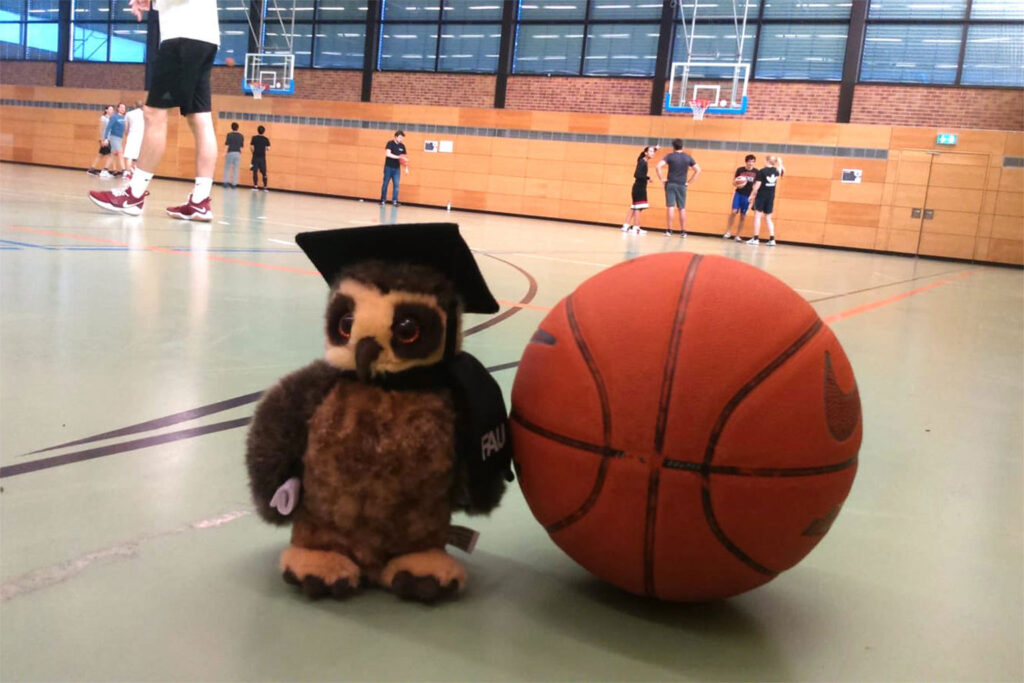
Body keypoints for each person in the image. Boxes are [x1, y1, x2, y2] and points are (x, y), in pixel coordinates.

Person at [88, 0, 220, 221]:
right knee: (200, 118)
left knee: (154, 114)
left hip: (183, 38)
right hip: (204, 38)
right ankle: (200, 200)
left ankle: (134, 194)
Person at [655, 138, 701, 237]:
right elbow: (698, 170)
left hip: (671, 183)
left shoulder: (669, 156)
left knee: (670, 207)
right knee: (682, 208)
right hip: (682, 184)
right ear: (682, 147)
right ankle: (683, 231)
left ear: (673, 147)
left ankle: (669, 230)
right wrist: (689, 182)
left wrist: (662, 179)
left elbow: (658, 166)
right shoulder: (687, 157)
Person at [746, 155, 785, 247]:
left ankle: (755, 238)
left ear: (767, 161)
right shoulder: (776, 171)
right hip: (770, 197)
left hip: (761, 196)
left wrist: (751, 196)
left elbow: (757, 186)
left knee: (757, 217)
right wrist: (780, 162)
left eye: (765, 160)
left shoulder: (761, 171)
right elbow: (782, 170)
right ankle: (772, 239)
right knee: (768, 218)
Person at [620, 145, 658, 235]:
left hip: (637, 187)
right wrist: (647, 178)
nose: (653, 153)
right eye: (651, 151)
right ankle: (636, 228)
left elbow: (641, 174)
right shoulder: (642, 162)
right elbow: (637, 175)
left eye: (653, 152)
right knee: (638, 208)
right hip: (639, 188)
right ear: (646, 153)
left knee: (634, 207)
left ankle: (625, 226)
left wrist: (656, 148)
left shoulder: (642, 160)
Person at [723, 154, 758, 241]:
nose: (751, 163)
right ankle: (728, 232)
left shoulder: (756, 172)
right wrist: (738, 184)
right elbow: (734, 182)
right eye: (749, 161)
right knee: (734, 212)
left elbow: (756, 186)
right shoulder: (740, 170)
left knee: (743, 216)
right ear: (746, 162)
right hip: (738, 194)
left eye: (752, 162)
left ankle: (738, 235)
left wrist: (753, 197)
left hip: (747, 196)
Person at [380, 130, 408, 206]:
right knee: (385, 184)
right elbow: (388, 154)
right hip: (388, 167)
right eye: (400, 137)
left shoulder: (402, 146)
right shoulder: (390, 143)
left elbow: (404, 158)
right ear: (395, 137)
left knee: (396, 185)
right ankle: (383, 200)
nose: (401, 139)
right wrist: (398, 157)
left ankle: (394, 201)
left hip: (396, 169)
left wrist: (406, 167)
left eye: (402, 138)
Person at [86, 104, 115, 177]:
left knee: (101, 155)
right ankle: (105, 170)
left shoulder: (111, 118)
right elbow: (101, 129)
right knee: (111, 155)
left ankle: (91, 169)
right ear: (106, 110)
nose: (112, 110)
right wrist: (102, 139)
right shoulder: (103, 118)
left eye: (112, 109)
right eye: (110, 109)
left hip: (109, 139)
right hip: (105, 139)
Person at [121, 100, 146, 178]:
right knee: (138, 156)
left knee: (129, 155)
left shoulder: (129, 114)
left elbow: (126, 127)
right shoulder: (145, 114)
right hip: (141, 137)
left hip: (132, 136)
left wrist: (126, 134)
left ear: (135, 105)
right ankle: (135, 171)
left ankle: (127, 173)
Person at [103, 102, 127, 177]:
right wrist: (106, 138)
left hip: (120, 138)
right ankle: (124, 171)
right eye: (121, 107)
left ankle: (104, 170)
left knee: (112, 154)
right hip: (114, 137)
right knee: (120, 153)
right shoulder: (114, 117)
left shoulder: (124, 118)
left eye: (124, 108)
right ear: (118, 108)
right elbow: (108, 127)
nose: (123, 109)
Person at [223, 122, 244, 188]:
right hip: (237, 153)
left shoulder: (229, 135)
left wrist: (224, 153)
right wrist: (240, 153)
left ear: (231, 127)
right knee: (236, 169)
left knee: (227, 168)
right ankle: (234, 184)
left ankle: (226, 183)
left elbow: (227, 145)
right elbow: (241, 147)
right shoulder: (241, 136)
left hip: (230, 152)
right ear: (238, 128)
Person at [250, 125, 270, 190]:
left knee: (254, 171)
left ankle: (255, 186)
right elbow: (268, 148)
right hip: (262, 158)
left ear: (257, 130)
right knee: (264, 172)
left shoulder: (254, 138)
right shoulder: (266, 139)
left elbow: (251, 147)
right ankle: (265, 187)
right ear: (264, 131)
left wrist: (253, 152)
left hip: (255, 157)